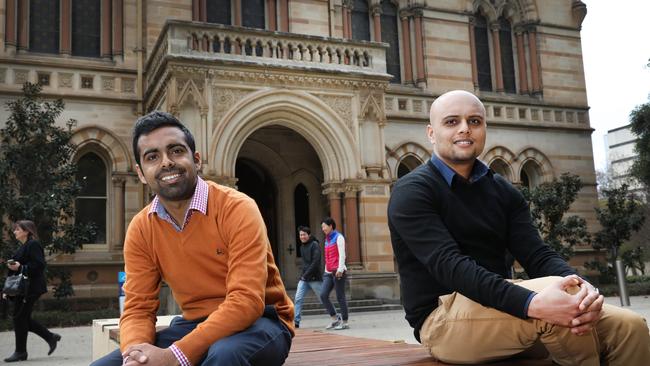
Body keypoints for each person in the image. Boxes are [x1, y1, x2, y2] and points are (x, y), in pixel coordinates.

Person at [387, 90, 650, 365]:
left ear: (484, 128)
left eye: (474, 121)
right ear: (431, 133)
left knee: (629, 326)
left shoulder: (501, 190)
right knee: (555, 310)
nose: (465, 128)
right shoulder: (413, 191)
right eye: (452, 122)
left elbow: (537, 254)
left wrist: (582, 288)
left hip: (502, 302)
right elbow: (451, 266)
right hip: (443, 319)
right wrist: (532, 303)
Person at [91, 111, 294, 366]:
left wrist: (175, 356)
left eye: (176, 151)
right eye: (152, 157)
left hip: (261, 322)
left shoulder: (237, 208)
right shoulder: (141, 228)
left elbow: (247, 301)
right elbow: (138, 308)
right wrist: (137, 355)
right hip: (194, 324)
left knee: (224, 355)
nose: (166, 162)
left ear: (196, 160)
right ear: (141, 173)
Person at [2, 220, 61, 362]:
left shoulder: (33, 244)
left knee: (19, 318)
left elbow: (39, 265)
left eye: (17, 229)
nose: (15, 232)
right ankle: (49, 337)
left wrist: (20, 267)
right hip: (23, 288)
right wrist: (7, 289)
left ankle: (21, 352)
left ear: (26, 231)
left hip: (31, 288)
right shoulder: (24, 246)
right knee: (22, 318)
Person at [319, 217, 349, 330]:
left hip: (338, 271)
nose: (323, 229)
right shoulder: (327, 239)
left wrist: (340, 270)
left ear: (331, 226)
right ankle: (335, 319)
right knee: (323, 294)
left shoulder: (339, 237)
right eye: (322, 227)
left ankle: (345, 322)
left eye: (324, 226)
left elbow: (342, 255)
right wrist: (326, 270)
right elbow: (327, 257)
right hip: (328, 271)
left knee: (340, 296)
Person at [293, 226, 323, 329]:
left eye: (304, 234)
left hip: (314, 278)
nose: (302, 236)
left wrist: (305, 275)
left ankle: (336, 317)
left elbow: (315, 263)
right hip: (305, 278)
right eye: (300, 235)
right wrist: (303, 276)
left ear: (308, 235)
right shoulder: (302, 247)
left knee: (323, 299)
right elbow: (305, 264)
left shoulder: (315, 245)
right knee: (298, 298)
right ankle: (296, 322)